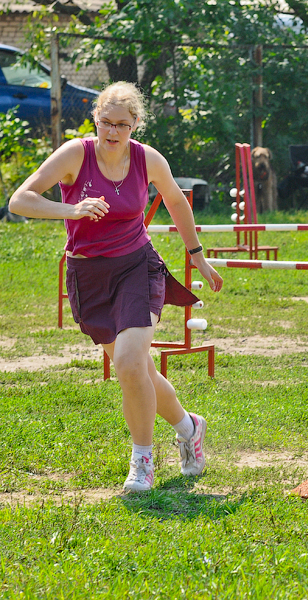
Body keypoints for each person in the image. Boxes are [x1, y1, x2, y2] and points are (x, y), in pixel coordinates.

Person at [10, 82, 224, 493]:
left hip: (136, 267)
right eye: (106, 122)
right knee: (137, 369)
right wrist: (70, 208)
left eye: (122, 125)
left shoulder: (147, 159)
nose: (112, 132)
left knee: (128, 363)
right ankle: (189, 426)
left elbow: (177, 201)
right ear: (95, 120)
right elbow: (20, 200)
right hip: (88, 274)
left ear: (135, 125)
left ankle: (142, 462)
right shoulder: (76, 154)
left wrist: (196, 253)